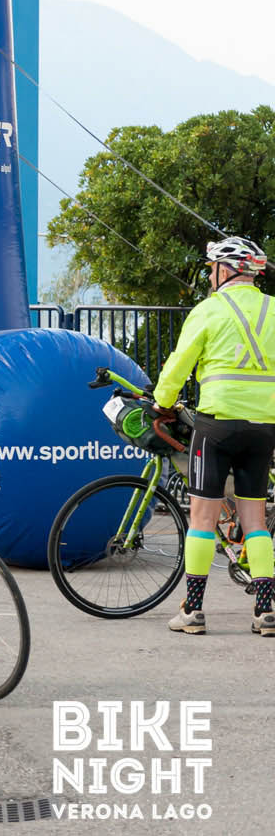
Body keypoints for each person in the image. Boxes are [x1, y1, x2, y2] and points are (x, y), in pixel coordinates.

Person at [155, 236, 275, 636]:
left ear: (226, 270)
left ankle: (192, 610)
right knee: (255, 520)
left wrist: (162, 401)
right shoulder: (274, 309)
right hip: (264, 427)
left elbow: (179, 364)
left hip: (217, 425)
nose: (210, 276)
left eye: (212, 269)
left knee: (202, 518)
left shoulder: (209, 309)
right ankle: (265, 611)